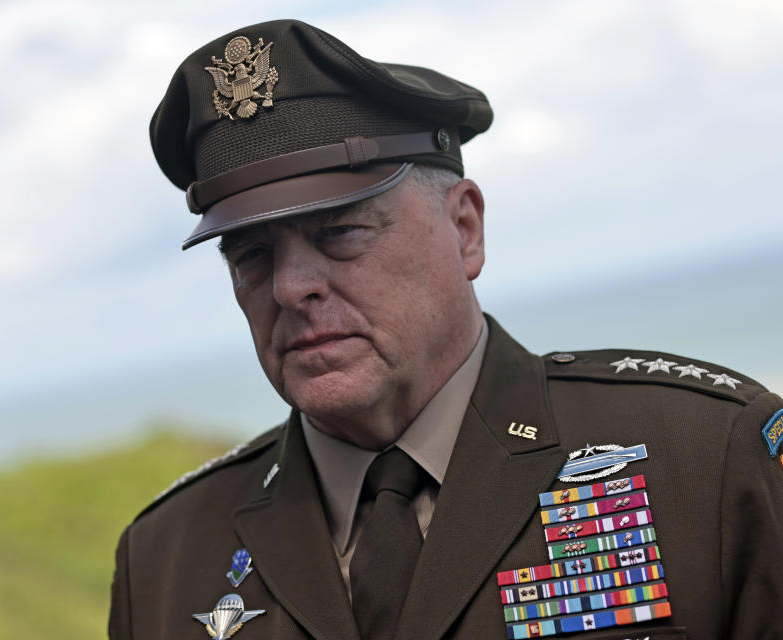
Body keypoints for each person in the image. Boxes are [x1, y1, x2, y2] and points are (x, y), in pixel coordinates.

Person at [108, 19, 783, 640]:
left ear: (465, 228)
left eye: (340, 231)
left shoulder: (707, 459)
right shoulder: (165, 557)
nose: (290, 287)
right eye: (251, 254)